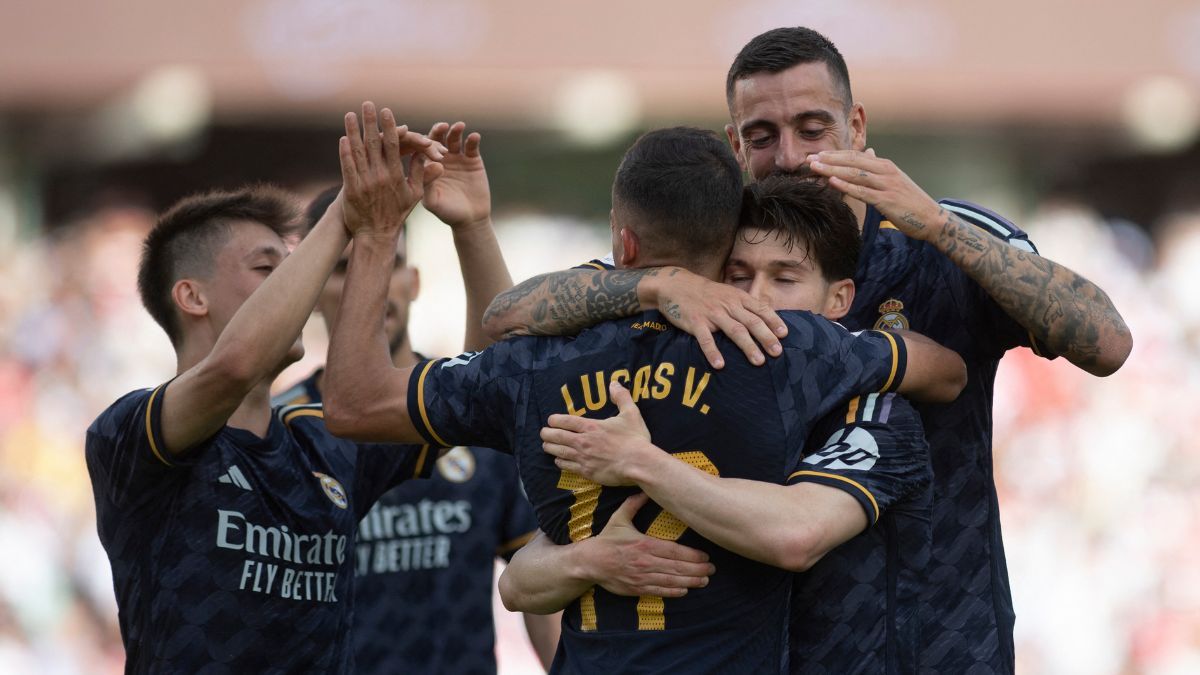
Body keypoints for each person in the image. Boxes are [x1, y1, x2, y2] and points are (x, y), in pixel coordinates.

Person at [480, 26, 1133, 673]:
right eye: (763, 136)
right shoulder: (710, 253)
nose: (789, 156)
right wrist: (657, 283)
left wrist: (936, 224)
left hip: (939, 646)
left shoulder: (937, 238)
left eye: (813, 128)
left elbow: (1106, 341)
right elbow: (509, 316)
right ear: (736, 145)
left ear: (856, 125)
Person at [322, 126, 967, 672]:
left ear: (622, 243)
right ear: (727, 247)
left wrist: (377, 232)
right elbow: (948, 371)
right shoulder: (795, 346)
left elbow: (355, 403)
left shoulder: (536, 360)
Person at [509, 177, 935, 674]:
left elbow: (796, 534)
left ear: (839, 299)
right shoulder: (679, 401)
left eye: (784, 278)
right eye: (738, 276)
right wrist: (585, 562)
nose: (756, 299)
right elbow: (518, 582)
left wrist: (642, 462)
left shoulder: (877, 415)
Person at [84, 104, 454, 673]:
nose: (297, 287)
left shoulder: (323, 441)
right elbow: (232, 369)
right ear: (192, 297)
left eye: (296, 266)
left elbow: (475, 395)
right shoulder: (130, 434)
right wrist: (342, 216)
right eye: (269, 269)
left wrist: (422, 229)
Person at [273, 121, 559, 673]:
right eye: (341, 268)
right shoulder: (287, 430)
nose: (372, 279)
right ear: (310, 293)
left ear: (415, 281)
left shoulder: (463, 403)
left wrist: (473, 225)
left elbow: (537, 578)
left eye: (389, 260)